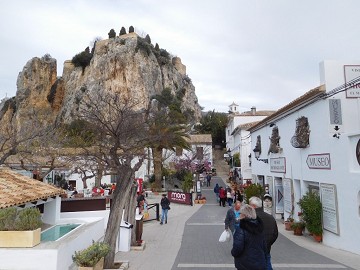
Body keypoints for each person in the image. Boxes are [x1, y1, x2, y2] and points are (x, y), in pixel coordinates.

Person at [231, 204, 266, 270]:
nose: (239, 215)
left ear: (244, 215)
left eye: (240, 214)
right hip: (259, 261)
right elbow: (264, 246)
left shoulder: (241, 229)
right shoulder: (259, 227)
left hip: (245, 263)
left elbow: (237, 247)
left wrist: (233, 253)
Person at [249, 196, 278, 270]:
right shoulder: (271, 218)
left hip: (253, 250)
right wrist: (268, 243)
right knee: (267, 265)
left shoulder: (251, 218)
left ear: (253, 206)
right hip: (267, 248)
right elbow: (275, 234)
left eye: (249, 205)